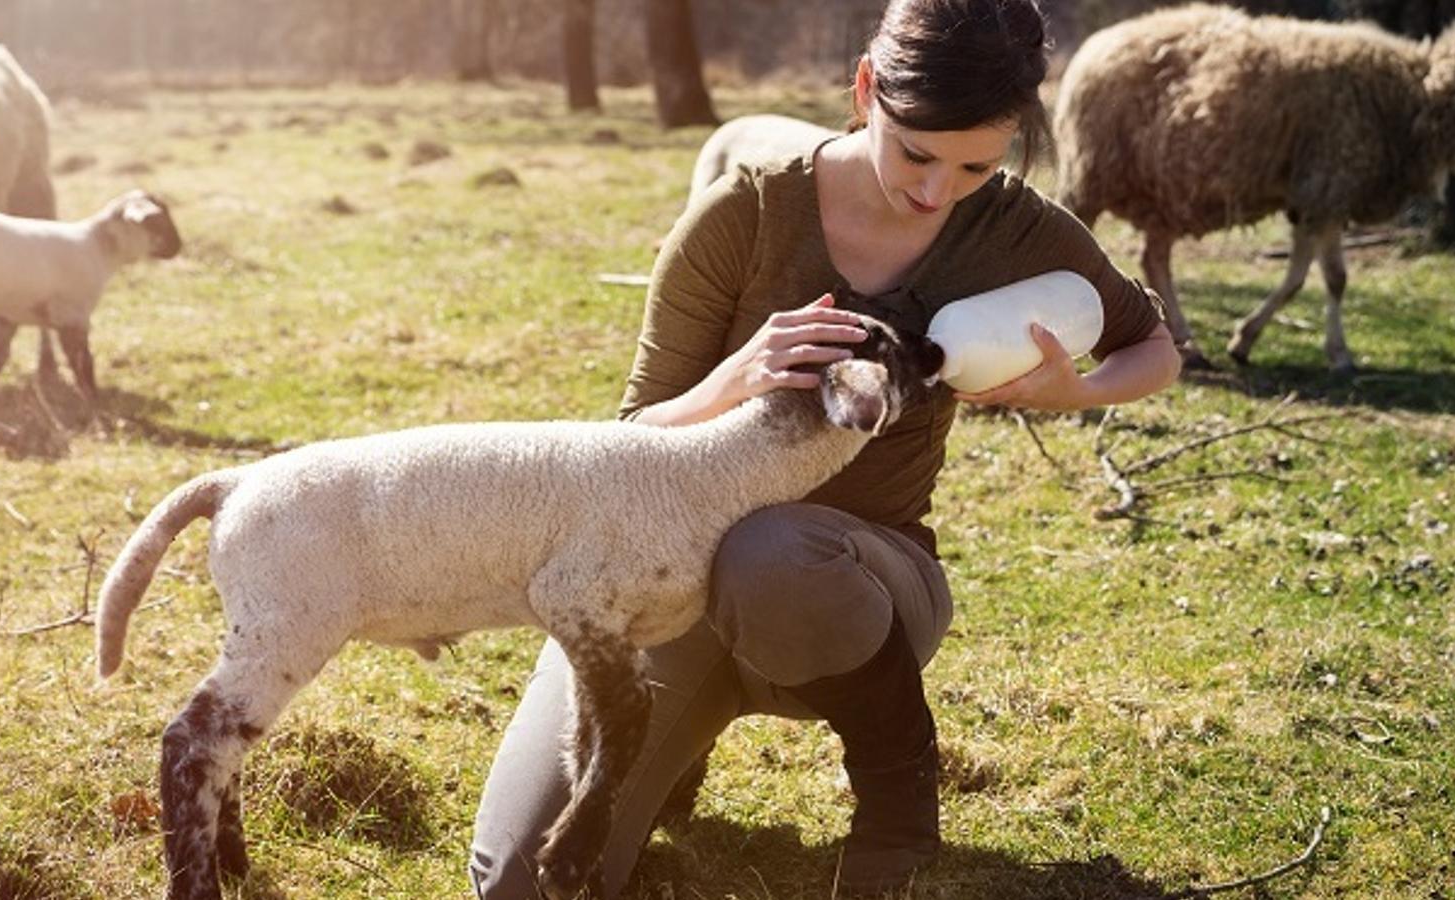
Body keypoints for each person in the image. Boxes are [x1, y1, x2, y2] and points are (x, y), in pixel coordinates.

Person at [468, 0, 1182, 895]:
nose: (935, 190)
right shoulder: (744, 216)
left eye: (976, 164)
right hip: (668, 591)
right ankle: (671, 750)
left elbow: (1152, 347)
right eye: (915, 152)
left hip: (856, 594)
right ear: (865, 88)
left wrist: (1076, 390)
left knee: (772, 549)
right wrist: (731, 381)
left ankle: (895, 773)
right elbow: (625, 451)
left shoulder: (1017, 231)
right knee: (521, 884)